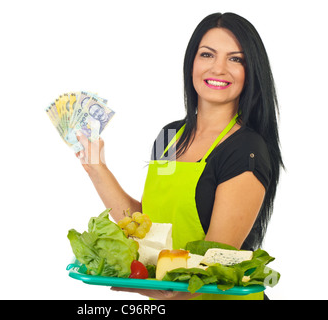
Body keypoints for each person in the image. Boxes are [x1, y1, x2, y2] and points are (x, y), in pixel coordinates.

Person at [74, 12, 283, 300]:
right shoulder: (169, 136)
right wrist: (96, 168)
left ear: (250, 72)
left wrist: (142, 287)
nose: (219, 68)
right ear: (192, 63)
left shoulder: (246, 149)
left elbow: (213, 265)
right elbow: (146, 226)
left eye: (235, 59)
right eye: (207, 54)